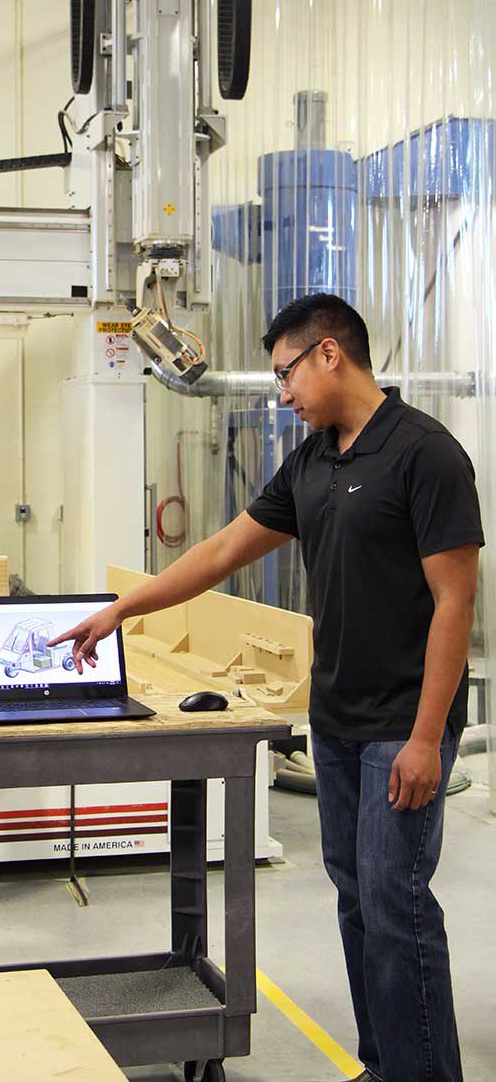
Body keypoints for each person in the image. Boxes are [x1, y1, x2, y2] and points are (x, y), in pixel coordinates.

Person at [49, 292, 482, 1082]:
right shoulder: (316, 460)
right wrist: (121, 610)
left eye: (286, 374)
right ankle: (385, 1065)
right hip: (339, 717)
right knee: (358, 903)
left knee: (398, 907)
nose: (281, 394)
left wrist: (427, 738)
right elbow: (219, 551)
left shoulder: (427, 454)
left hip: (402, 725)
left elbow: (456, 600)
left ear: (329, 354)